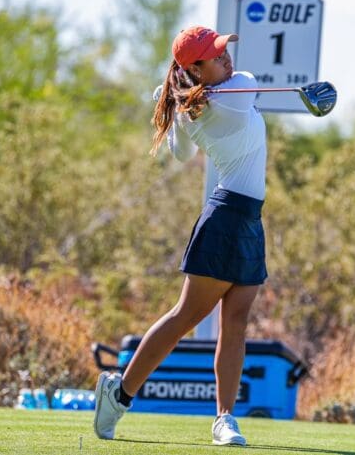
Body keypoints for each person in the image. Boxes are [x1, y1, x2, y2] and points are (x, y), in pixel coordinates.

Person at [92, 26, 268, 447]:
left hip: (248, 219)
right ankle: (119, 394)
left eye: (224, 52)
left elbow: (182, 151)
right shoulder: (236, 93)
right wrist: (185, 103)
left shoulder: (209, 103)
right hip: (225, 217)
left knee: (237, 322)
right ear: (195, 67)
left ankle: (224, 419)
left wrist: (181, 103)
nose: (227, 59)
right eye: (217, 55)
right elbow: (249, 83)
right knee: (185, 317)